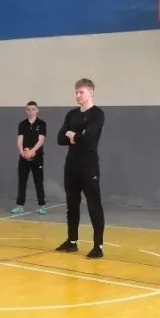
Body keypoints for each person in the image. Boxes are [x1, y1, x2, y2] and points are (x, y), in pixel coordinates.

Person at [54, 78, 106, 259]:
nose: (78, 95)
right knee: (72, 204)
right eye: (76, 92)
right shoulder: (71, 114)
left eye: (81, 92)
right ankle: (72, 241)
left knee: (94, 205)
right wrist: (75, 135)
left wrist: (71, 134)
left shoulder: (97, 114)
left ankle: (98, 246)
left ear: (91, 93)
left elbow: (89, 139)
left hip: (88, 167)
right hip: (71, 166)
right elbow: (60, 138)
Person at [12, 101, 47, 215]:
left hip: (37, 158)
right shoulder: (22, 124)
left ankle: (42, 206)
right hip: (24, 158)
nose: (30, 111)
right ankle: (19, 206)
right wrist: (22, 152)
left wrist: (32, 151)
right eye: (28, 109)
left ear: (37, 110)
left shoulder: (42, 124)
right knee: (22, 182)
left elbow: (41, 140)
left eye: (33, 109)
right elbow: (20, 139)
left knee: (38, 182)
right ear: (26, 111)